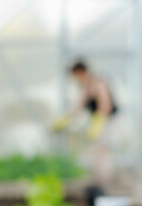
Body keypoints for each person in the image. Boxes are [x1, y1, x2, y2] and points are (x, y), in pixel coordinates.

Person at [51, 60, 120, 188]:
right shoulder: (86, 87)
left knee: (103, 150)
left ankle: (106, 182)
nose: (75, 79)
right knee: (97, 151)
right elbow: (80, 105)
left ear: (81, 72)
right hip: (100, 121)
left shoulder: (99, 83)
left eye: (75, 75)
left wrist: (98, 123)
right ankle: (100, 181)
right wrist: (65, 119)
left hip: (109, 121)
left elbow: (106, 105)